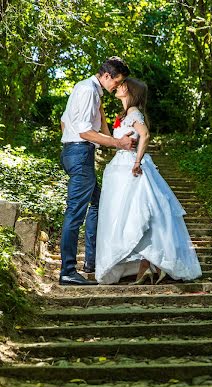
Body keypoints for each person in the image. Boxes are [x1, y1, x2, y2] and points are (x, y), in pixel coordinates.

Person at [95, 78, 202, 285]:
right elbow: (111, 138)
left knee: (139, 214)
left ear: (131, 92)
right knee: (125, 215)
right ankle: (147, 265)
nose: (119, 86)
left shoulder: (134, 112)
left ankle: (151, 263)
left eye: (123, 85)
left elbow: (145, 135)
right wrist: (101, 112)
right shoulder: (124, 116)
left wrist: (137, 161)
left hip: (130, 168)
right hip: (118, 168)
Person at [59, 56, 136, 286]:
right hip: (80, 153)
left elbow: (65, 121)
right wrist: (116, 143)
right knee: (75, 212)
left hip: (77, 152)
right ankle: (67, 271)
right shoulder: (88, 91)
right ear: (106, 76)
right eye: (117, 81)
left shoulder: (89, 90)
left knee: (98, 203)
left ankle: (91, 261)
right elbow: (83, 131)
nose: (117, 87)